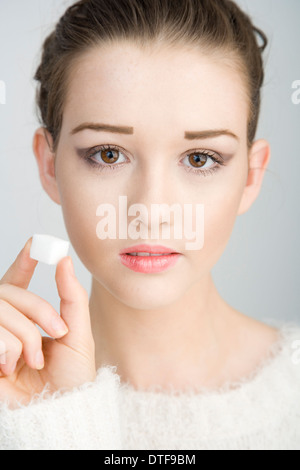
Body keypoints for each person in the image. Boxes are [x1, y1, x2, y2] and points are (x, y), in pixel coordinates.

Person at [0, 0, 299, 450]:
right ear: (49, 165)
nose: (151, 209)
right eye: (108, 154)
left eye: (200, 159)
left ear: (251, 176)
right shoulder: (12, 401)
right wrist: (45, 424)